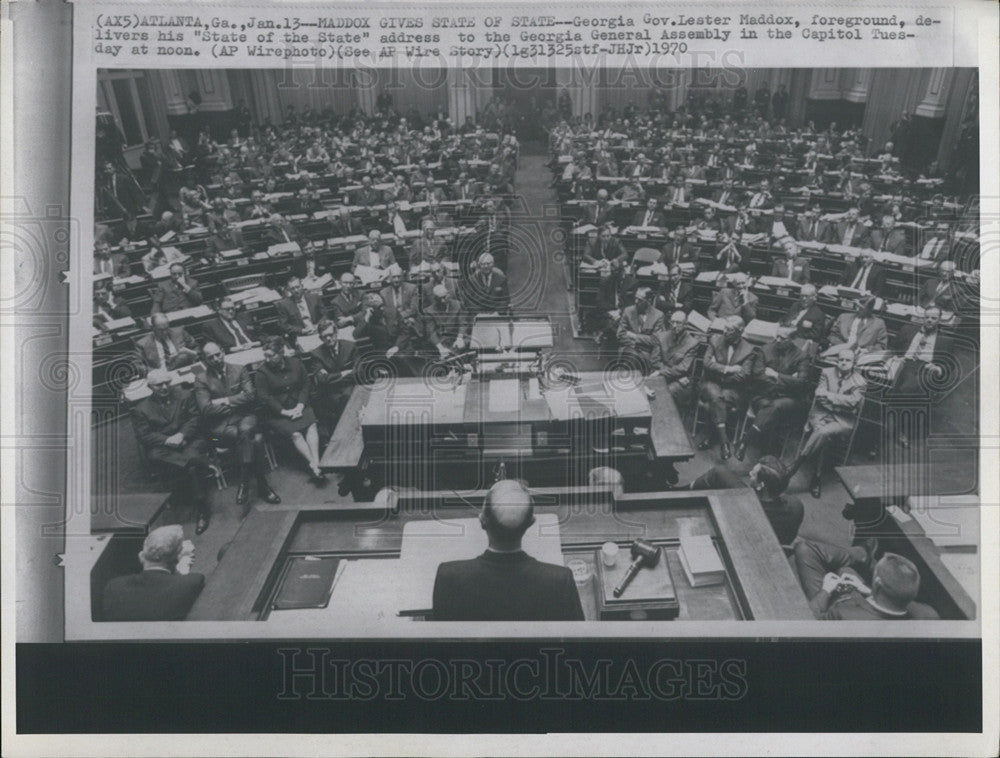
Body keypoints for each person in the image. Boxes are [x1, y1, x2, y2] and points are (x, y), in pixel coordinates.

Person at [431, 479, 585, 621]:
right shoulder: (560, 581)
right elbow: (579, 642)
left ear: (482, 520)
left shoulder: (448, 577)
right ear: (531, 523)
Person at [194, 342, 280, 512]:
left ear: (223, 352)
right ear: (205, 360)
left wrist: (224, 401)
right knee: (255, 439)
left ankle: (244, 480)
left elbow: (250, 396)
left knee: (247, 431)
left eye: (217, 354)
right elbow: (205, 409)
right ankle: (262, 486)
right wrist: (236, 400)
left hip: (246, 418)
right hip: (220, 430)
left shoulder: (239, 369)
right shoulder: (201, 379)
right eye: (210, 357)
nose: (215, 359)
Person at [131, 369, 214, 534]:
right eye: (158, 385)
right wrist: (167, 440)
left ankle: (202, 509)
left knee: (191, 461)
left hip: (189, 440)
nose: (164, 387)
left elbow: (195, 418)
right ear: (150, 386)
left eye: (166, 383)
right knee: (155, 455)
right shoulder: (141, 409)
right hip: (165, 448)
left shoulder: (184, 395)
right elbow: (144, 435)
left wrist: (182, 434)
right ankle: (201, 463)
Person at [786, 347, 867, 498]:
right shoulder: (827, 372)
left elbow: (852, 403)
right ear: (836, 361)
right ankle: (816, 477)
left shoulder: (860, 382)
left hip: (842, 420)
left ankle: (795, 467)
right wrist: (837, 400)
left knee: (822, 433)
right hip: (820, 413)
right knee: (823, 436)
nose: (843, 363)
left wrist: (829, 397)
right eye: (841, 360)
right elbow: (819, 395)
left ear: (854, 363)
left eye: (847, 360)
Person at [793, 542, 938, 620]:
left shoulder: (843, 615)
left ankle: (862, 555)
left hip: (837, 608)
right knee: (845, 571)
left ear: (877, 583)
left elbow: (806, 622)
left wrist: (825, 591)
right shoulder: (929, 615)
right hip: (870, 604)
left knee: (804, 550)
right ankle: (861, 556)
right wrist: (866, 589)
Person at [683, 456, 804, 547]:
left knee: (718, 472)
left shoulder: (741, 507)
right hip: (773, 549)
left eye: (753, 474)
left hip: (741, 545)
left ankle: (681, 492)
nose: (750, 474)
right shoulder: (797, 506)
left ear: (761, 485)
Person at [254, 336, 326, 486]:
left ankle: (316, 464)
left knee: (311, 425)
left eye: (271, 355)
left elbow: (305, 385)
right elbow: (265, 398)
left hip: (300, 405)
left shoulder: (296, 363)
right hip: (277, 413)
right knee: (296, 434)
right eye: (265, 356)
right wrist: (284, 412)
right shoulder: (261, 373)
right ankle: (314, 465)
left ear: (281, 353)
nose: (267, 360)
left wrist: (300, 405)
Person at [734, 325, 811, 460]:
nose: (778, 340)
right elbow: (757, 376)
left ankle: (746, 441)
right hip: (763, 395)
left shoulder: (802, 356)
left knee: (774, 406)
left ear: (793, 339)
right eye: (777, 336)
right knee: (772, 408)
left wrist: (775, 375)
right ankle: (768, 453)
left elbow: (801, 383)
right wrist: (788, 380)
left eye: (782, 338)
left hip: (789, 400)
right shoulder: (765, 349)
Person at [102, 525, 205, 621]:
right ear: (177, 558)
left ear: (141, 556)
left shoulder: (113, 587)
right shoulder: (193, 582)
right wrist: (182, 563)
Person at [698, 316, 762, 460]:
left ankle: (712, 437)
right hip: (710, 384)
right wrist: (729, 369)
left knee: (716, 401)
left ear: (740, 331)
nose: (724, 331)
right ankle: (723, 441)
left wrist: (718, 372)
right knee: (715, 395)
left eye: (729, 329)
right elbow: (706, 364)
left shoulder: (749, 349)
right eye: (724, 328)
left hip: (732, 389)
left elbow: (744, 375)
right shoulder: (715, 340)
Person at [309, 319, 357, 433]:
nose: (328, 339)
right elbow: (321, 380)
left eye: (331, 335)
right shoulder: (316, 354)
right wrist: (343, 373)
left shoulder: (351, 347)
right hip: (330, 392)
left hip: (350, 387)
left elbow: (358, 372)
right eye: (324, 336)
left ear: (336, 333)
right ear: (320, 338)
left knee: (348, 397)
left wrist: (330, 377)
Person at [651, 310, 701, 404]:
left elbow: (683, 368)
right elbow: (655, 361)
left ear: (685, 324)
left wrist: (661, 372)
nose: (674, 325)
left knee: (666, 393)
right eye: (672, 322)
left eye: (678, 323)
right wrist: (666, 374)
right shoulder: (661, 337)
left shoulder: (693, 343)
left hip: (680, 381)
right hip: (672, 377)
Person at [616, 286, 665, 369]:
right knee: (631, 358)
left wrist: (634, 336)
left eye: (640, 300)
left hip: (647, 353)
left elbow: (656, 340)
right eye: (636, 298)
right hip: (629, 348)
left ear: (648, 300)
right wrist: (635, 344)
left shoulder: (658, 315)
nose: (636, 301)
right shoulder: (628, 311)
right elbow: (620, 334)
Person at [422, 284, 469, 357]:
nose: (442, 301)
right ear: (435, 299)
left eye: (444, 297)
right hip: (440, 342)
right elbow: (431, 333)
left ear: (448, 294)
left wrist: (459, 338)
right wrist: (440, 348)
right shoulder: (429, 311)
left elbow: (463, 323)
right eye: (439, 298)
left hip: (456, 337)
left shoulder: (458, 305)